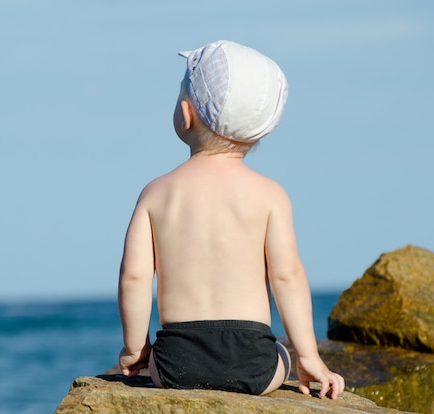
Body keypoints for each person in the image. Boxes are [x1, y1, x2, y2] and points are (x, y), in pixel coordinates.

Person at [117, 40, 345, 399]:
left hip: (177, 361)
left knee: (158, 362)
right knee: (280, 355)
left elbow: (134, 276)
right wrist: (308, 356)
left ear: (186, 113)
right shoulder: (270, 195)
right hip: (254, 361)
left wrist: (135, 351)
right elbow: (286, 276)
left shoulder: (156, 193)